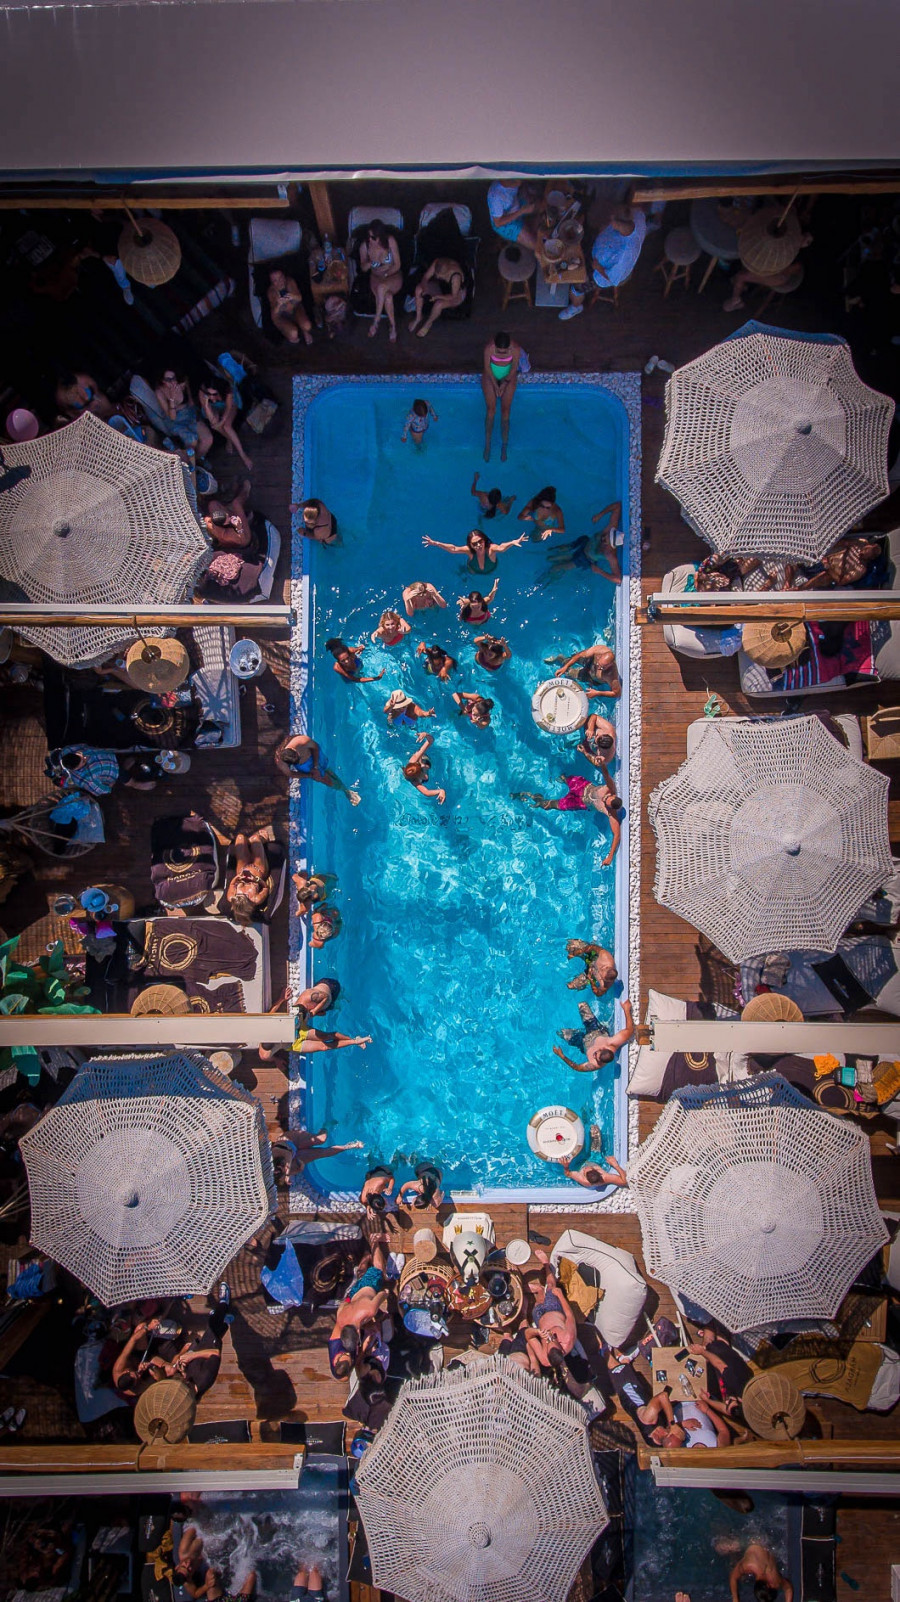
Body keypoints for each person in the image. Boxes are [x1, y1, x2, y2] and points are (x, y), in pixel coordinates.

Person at [515, 773, 623, 864]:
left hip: (579, 802)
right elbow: (606, 773)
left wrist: (610, 857)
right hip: (582, 786)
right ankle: (559, 778)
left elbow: (617, 834)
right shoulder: (610, 787)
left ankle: (533, 798)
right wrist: (602, 764)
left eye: (606, 802)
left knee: (548, 806)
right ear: (613, 795)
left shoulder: (610, 813)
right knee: (565, 778)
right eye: (607, 798)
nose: (604, 799)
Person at [328, 1235, 390, 1376]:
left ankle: (374, 1240)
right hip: (352, 1294)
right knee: (362, 1276)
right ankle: (366, 1257)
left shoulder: (370, 1311)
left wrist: (385, 1294)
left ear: (357, 1332)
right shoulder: (340, 1318)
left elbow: (383, 1293)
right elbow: (345, 1302)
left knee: (379, 1270)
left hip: (368, 1288)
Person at [164, 1292, 233, 1401]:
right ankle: (224, 1303)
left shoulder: (190, 1382)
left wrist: (183, 1370)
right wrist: (192, 1356)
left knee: (214, 1329)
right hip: (211, 1347)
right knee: (213, 1325)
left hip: (202, 1347)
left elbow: (190, 1371)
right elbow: (215, 1353)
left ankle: (225, 1321)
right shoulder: (205, 1378)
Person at [723, 232, 813, 311]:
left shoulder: (792, 259)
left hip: (785, 277)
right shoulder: (786, 245)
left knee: (742, 276)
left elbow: (795, 267)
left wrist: (735, 297)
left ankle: (735, 300)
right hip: (783, 271)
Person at [523, 1248, 578, 1367]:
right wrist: (560, 1295)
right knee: (551, 1286)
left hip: (540, 1319)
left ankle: (539, 1290)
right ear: (561, 1347)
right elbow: (570, 1315)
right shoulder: (568, 1337)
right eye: (553, 1338)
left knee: (537, 1304)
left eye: (548, 1341)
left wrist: (537, 1332)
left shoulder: (544, 1358)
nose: (550, 1337)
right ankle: (546, 1264)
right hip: (554, 1310)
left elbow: (528, 1336)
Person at [542, 509, 623, 586]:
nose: (603, 538)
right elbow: (617, 506)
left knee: (555, 568)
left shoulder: (610, 554)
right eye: (604, 536)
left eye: (605, 541)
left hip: (584, 559)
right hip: (583, 543)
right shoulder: (610, 528)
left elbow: (618, 579)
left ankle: (545, 583)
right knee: (550, 557)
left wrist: (599, 571)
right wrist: (600, 514)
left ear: (610, 545)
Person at [276, 733, 361, 805]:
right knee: (327, 781)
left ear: (294, 750)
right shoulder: (281, 763)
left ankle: (345, 789)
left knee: (328, 769)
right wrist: (310, 775)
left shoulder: (300, 741)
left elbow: (315, 747)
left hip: (316, 756)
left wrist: (315, 767)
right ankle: (345, 791)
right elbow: (290, 774)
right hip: (306, 767)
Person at [553, 997, 635, 1071]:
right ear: (603, 1048)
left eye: (597, 1058)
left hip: (582, 1043)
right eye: (596, 1053)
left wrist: (561, 1056)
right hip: (595, 1030)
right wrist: (626, 1010)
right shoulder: (611, 1043)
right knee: (582, 1005)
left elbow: (577, 1067)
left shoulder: (594, 1064)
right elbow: (630, 1030)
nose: (594, 1056)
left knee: (560, 1033)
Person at [482, 331, 523, 462]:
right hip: (491, 375)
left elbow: (514, 368)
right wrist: (495, 385)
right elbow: (487, 368)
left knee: (505, 411)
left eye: (504, 352)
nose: (501, 354)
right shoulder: (489, 348)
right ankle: (487, 444)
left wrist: (504, 384)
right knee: (491, 410)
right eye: (498, 351)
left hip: (508, 375)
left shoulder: (515, 349)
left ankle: (504, 445)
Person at [359, 220, 404, 341]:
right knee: (387, 297)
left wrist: (386, 274)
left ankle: (376, 321)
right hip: (376, 277)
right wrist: (370, 262)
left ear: (380, 237)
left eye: (373, 237)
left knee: (381, 287)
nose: (370, 239)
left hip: (392, 275)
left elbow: (397, 264)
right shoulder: (365, 246)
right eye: (368, 236)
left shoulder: (390, 241)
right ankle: (393, 327)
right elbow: (363, 268)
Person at [154, 367, 213, 456]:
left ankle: (197, 460)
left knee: (208, 439)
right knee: (192, 441)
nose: (172, 382)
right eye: (168, 380)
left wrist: (189, 398)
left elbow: (186, 380)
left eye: (173, 378)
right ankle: (192, 460)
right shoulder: (160, 392)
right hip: (175, 421)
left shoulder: (181, 385)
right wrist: (172, 399)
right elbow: (172, 417)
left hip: (188, 413)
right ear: (163, 381)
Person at [270, 1126, 364, 1180]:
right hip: (296, 1156)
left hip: (291, 1141)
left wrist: (287, 1171)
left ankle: (326, 1126)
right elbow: (299, 1168)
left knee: (322, 1139)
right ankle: (349, 1146)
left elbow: (287, 1155)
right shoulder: (284, 1171)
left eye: (282, 1167)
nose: (285, 1168)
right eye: (283, 1170)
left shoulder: (273, 1154)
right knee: (323, 1153)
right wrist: (299, 1167)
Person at [423, 526, 528, 574]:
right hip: (473, 569)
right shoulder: (469, 550)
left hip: (492, 570)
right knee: (469, 573)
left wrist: (512, 542)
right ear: (470, 545)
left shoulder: (490, 549)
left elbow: (501, 547)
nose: (478, 545)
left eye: (480, 541)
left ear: (484, 540)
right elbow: (454, 549)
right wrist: (436, 543)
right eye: (474, 544)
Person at [199, 378, 252, 471]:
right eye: (209, 394)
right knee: (214, 423)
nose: (211, 397)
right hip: (213, 407)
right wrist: (206, 405)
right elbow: (211, 417)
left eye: (214, 394)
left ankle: (243, 455)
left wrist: (221, 423)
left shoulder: (227, 390)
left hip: (229, 404)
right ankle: (229, 439)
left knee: (227, 426)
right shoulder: (202, 392)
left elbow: (228, 409)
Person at [225, 830, 274, 921]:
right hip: (258, 869)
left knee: (240, 837)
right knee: (255, 838)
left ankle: (248, 844)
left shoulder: (231, 897)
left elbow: (231, 884)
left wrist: (237, 878)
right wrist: (257, 880)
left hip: (242, 869)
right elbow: (266, 888)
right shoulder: (256, 899)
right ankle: (262, 841)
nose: (244, 894)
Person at [409, 257, 466, 335]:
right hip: (441, 288)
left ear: (447, 272)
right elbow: (425, 277)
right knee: (419, 289)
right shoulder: (437, 263)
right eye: (436, 275)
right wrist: (425, 288)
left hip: (456, 295)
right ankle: (418, 317)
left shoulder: (456, 276)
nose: (438, 277)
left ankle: (429, 323)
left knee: (439, 304)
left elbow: (453, 296)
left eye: (441, 276)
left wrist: (438, 297)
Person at [552, 640, 622, 697]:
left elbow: (617, 693)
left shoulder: (611, 676)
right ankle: (561, 660)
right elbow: (579, 655)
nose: (599, 668)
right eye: (599, 664)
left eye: (603, 667)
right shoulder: (599, 650)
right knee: (572, 658)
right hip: (590, 662)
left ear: (610, 665)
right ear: (599, 657)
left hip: (591, 677)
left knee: (570, 673)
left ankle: (563, 663)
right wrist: (565, 666)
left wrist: (597, 693)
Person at [486, 180, 542, 251]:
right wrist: (521, 211)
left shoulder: (514, 181)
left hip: (516, 204)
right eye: (515, 181)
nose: (519, 182)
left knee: (542, 205)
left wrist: (528, 197)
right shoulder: (495, 197)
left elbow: (521, 185)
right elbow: (498, 223)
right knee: (537, 246)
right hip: (504, 223)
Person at [267, 266, 314, 346]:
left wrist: (293, 296)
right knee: (293, 334)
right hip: (282, 315)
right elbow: (274, 314)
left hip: (295, 309)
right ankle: (290, 334)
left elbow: (300, 298)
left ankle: (304, 331)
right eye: (275, 280)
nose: (280, 282)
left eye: (281, 278)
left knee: (307, 326)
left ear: (284, 276)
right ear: (272, 282)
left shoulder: (290, 282)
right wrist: (278, 304)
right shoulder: (271, 292)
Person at [203, 482, 254, 552]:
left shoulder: (211, 521)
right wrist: (239, 527)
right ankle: (245, 493)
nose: (230, 517)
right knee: (236, 503)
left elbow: (208, 518)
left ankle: (231, 508)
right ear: (224, 525)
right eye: (228, 518)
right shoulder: (228, 534)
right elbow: (242, 540)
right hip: (243, 536)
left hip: (228, 528)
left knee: (212, 504)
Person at [403, 732, 446, 804]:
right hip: (418, 769)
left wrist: (425, 734)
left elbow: (430, 741)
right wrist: (441, 791)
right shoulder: (415, 781)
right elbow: (426, 792)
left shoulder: (414, 759)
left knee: (425, 764)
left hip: (421, 759)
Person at [561, 1154, 628, 1189]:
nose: (586, 1168)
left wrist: (566, 1166)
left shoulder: (583, 1179)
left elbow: (567, 1174)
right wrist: (615, 1165)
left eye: (585, 1170)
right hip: (594, 1160)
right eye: (589, 1168)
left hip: (580, 1163)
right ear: (600, 1173)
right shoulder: (604, 1177)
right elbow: (624, 1181)